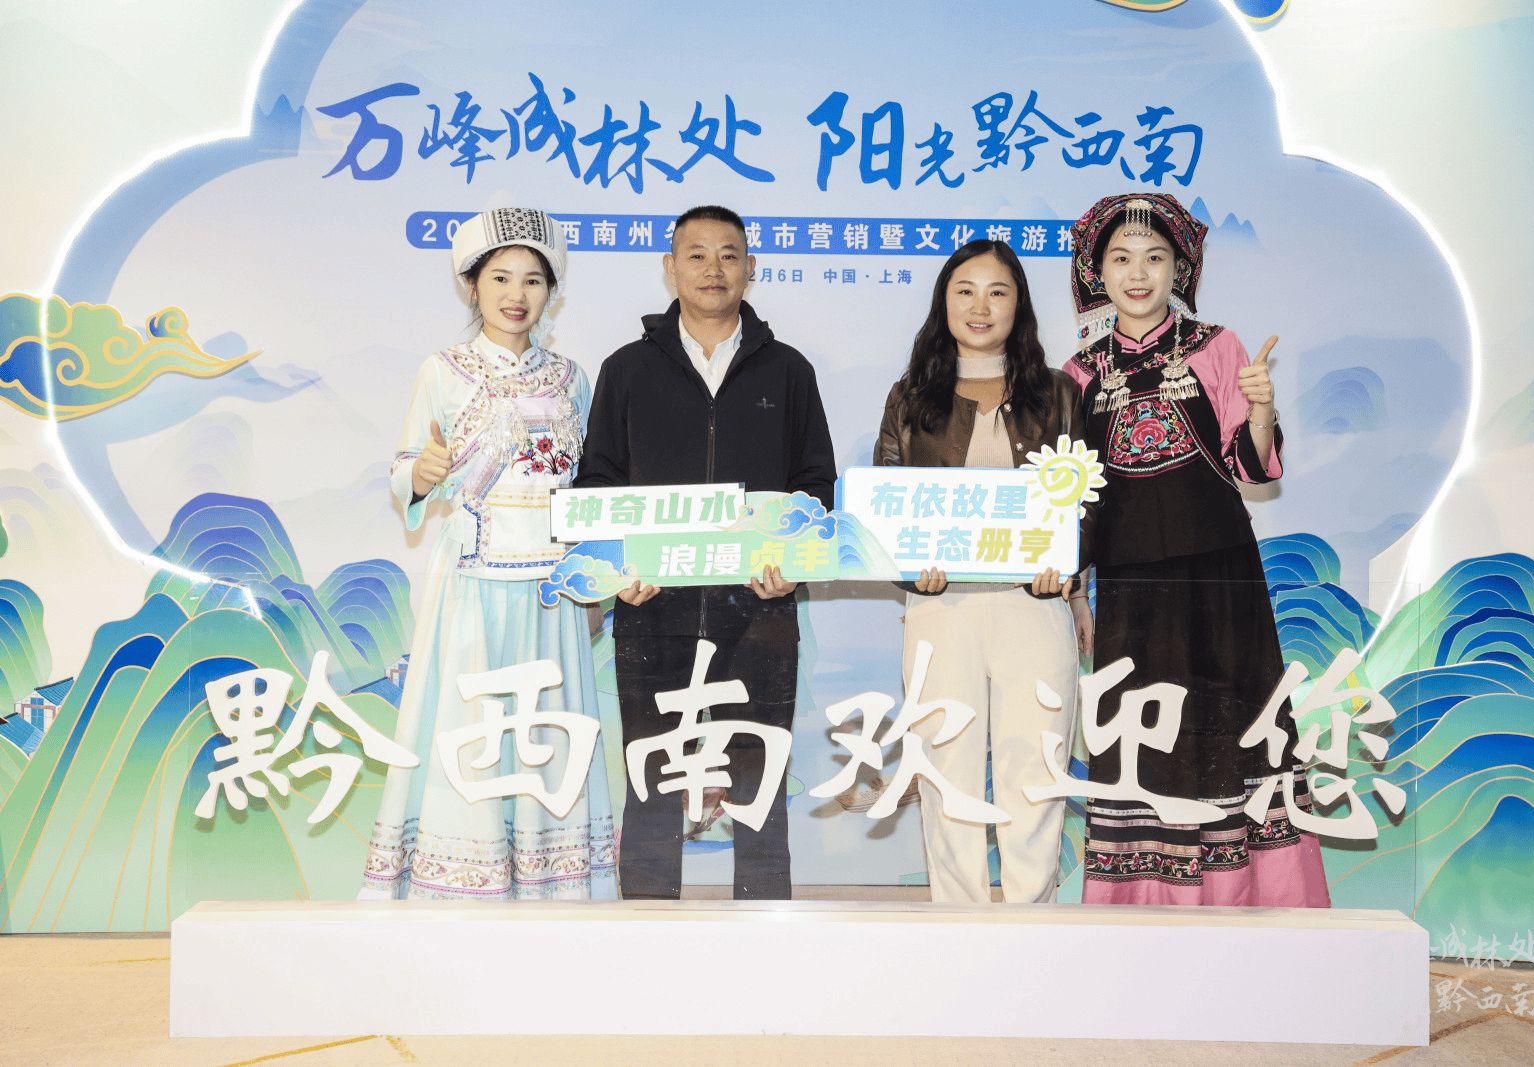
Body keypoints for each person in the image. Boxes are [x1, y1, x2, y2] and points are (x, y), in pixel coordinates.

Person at [1062, 193, 1330, 907]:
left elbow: (1252, 468)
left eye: (1155, 258)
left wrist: (1262, 405)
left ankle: (1254, 896)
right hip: (1129, 592)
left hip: (1220, 579)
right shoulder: (1078, 373)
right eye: (1121, 258)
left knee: (1236, 732)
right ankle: (1140, 906)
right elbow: (1072, 500)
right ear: (1096, 271)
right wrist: (1074, 590)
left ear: (1179, 269)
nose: (1138, 274)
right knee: (1141, 739)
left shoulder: (1218, 347)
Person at [575, 204, 837, 900]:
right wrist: (616, 571)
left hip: (760, 605)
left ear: (751, 268)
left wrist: (792, 565)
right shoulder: (627, 369)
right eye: (696, 254)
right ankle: (647, 925)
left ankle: (764, 928)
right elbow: (597, 482)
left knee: (758, 777)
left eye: (729, 254)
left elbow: (816, 483)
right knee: (653, 776)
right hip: (652, 605)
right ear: (670, 268)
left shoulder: (788, 371)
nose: (713, 269)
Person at [361, 207, 617, 901]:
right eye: (500, 277)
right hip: (474, 579)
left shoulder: (571, 377)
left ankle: (555, 883)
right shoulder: (442, 372)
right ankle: (461, 885)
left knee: (550, 732)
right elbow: (406, 469)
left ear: (551, 291)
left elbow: (589, 489)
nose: (516, 293)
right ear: (471, 285)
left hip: (554, 588)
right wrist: (423, 474)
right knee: (472, 728)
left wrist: (597, 581)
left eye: (533, 279)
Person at [874, 239, 1092, 904]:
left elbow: (1089, 502)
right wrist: (911, 571)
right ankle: (957, 927)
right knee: (947, 771)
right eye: (964, 291)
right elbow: (886, 506)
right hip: (942, 611)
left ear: (1018, 304)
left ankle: (1032, 922)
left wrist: (1070, 571)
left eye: (998, 292)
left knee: (1037, 771)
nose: (980, 306)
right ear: (943, 302)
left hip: (1034, 607)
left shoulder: (1058, 393)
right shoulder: (911, 398)